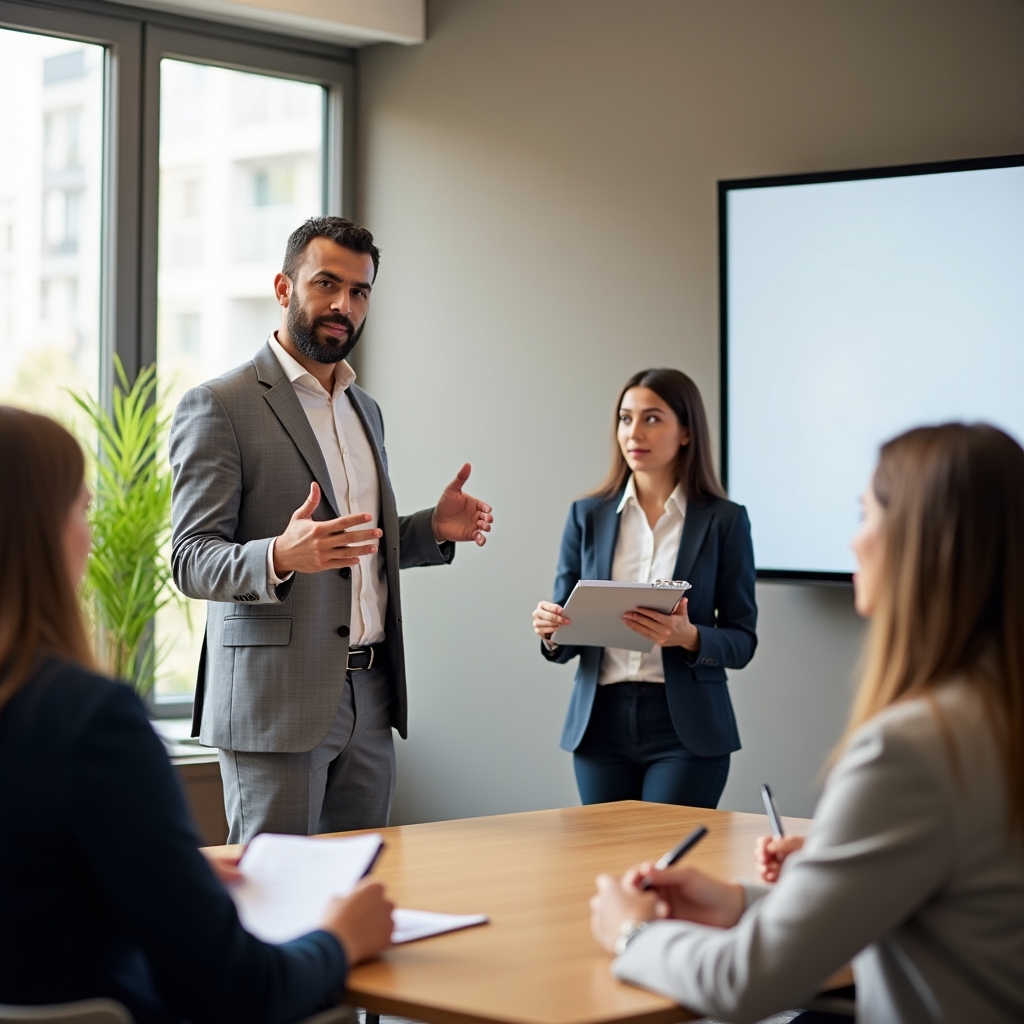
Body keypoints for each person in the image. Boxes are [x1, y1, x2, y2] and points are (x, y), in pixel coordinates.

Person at [590, 423, 1024, 1024]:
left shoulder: (916, 748)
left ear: (921, 542)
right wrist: (742, 901)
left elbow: (745, 984)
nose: (854, 542)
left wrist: (631, 934)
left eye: (865, 515)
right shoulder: (996, 717)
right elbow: (943, 911)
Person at [0, 407, 394, 1024]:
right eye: (82, 510)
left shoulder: (363, 409)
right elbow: (238, 988)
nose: (93, 535)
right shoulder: (91, 724)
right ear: (36, 533)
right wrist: (341, 939)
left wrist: (183, 875)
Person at [170, 216, 493, 844]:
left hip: (371, 696)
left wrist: (431, 529)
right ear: (284, 288)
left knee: (358, 892)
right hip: (275, 703)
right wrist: (278, 556)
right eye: (326, 284)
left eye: (360, 291)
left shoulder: (363, 408)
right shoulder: (220, 404)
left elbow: (354, 542)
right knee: (275, 898)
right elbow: (190, 558)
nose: (343, 305)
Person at [532, 369, 756, 807]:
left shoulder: (725, 521)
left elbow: (743, 640)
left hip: (686, 729)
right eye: (625, 418)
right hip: (600, 726)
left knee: (663, 867)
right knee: (606, 865)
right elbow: (565, 628)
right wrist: (550, 629)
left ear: (687, 432)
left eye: (652, 418)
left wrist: (688, 637)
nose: (634, 432)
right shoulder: (587, 515)